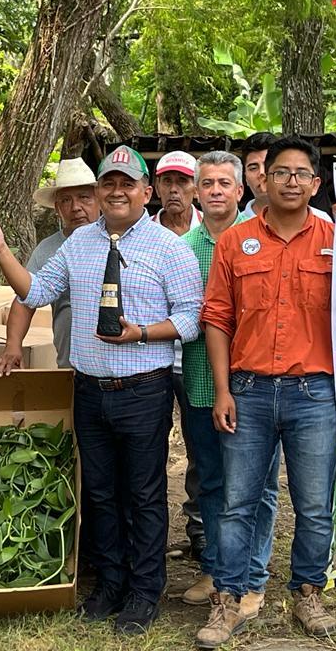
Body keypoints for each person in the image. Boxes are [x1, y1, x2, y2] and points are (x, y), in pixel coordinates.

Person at [0, 144, 204, 635]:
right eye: (109, 183)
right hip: (90, 388)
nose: (117, 191)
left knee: (142, 493)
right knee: (99, 492)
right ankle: (111, 585)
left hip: (143, 388)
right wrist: (0, 251)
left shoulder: (170, 248)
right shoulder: (78, 244)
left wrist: (140, 332)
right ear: (101, 191)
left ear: (145, 191)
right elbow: (33, 293)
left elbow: (190, 318)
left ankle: (144, 592)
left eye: (126, 183)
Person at [196, 137, 336, 648]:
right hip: (249, 391)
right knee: (238, 503)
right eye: (282, 172)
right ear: (264, 180)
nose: (292, 181)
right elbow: (216, 317)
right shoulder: (235, 242)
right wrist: (223, 390)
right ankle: (228, 600)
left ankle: (307, 591)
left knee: (315, 504)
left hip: (314, 391)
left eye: (302, 173)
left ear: (315, 184)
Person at [172, 152, 279, 620]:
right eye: (207, 183)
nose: (215, 190)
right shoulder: (179, 247)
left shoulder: (261, 241)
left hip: (256, 383)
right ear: (197, 192)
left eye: (224, 183)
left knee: (258, 485)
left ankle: (253, 577)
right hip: (198, 381)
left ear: (241, 191)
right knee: (211, 480)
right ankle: (217, 570)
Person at [0, 157, 98, 374]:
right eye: (66, 201)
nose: (76, 207)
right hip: (70, 363)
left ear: (99, 200)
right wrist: (13, 345)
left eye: (84, 198)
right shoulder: (48, 248)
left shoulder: (118, 240)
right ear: (58, 209)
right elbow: (26, 299)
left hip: (120, 366)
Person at [151, 150, 205, 562]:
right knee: (148, 449)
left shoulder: (213, 234)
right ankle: (151, 537)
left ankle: (199, 530)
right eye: (167, 181)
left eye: (183, 182)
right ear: (154, 187)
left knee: (200, 448)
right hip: (149, 360)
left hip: (197, 362)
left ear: (196, 187)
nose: (175, 190)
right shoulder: (140, 233)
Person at [241, 132, 332, 222]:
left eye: (267, 165)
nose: (262, 173)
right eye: (253, 168)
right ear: (245, 178)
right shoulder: (234, 228)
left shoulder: (322, 221)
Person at [153, 150, 202, 236]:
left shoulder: (212, 226)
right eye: (167, 181)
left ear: (196, 189)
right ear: (157, 188)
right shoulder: (141, 231)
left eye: (182, 181)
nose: (173, 189)